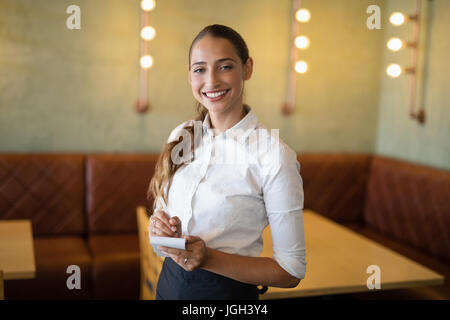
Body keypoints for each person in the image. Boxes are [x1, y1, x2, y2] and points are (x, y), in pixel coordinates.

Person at [147, 24, 306, 300]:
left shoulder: (274, 156)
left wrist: (207, 259)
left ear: (247, 69)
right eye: (200, 69)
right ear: (189, 76)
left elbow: (291, 271)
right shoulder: (181, 136)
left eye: (225, 66)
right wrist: (160, 229)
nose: (211, 81)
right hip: (168, 288)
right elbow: (160, 217)